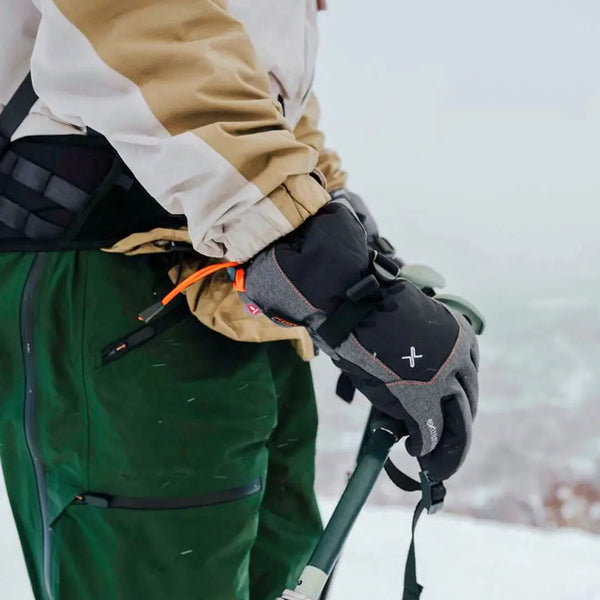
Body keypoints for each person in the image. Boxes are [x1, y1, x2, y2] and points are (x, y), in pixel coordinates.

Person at [0, 1, 480, 599]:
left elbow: (253, 74)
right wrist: (317, 257)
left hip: (245, 270)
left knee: (281, 569)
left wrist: (333, 224)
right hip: (113, 270)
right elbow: (142, 21)